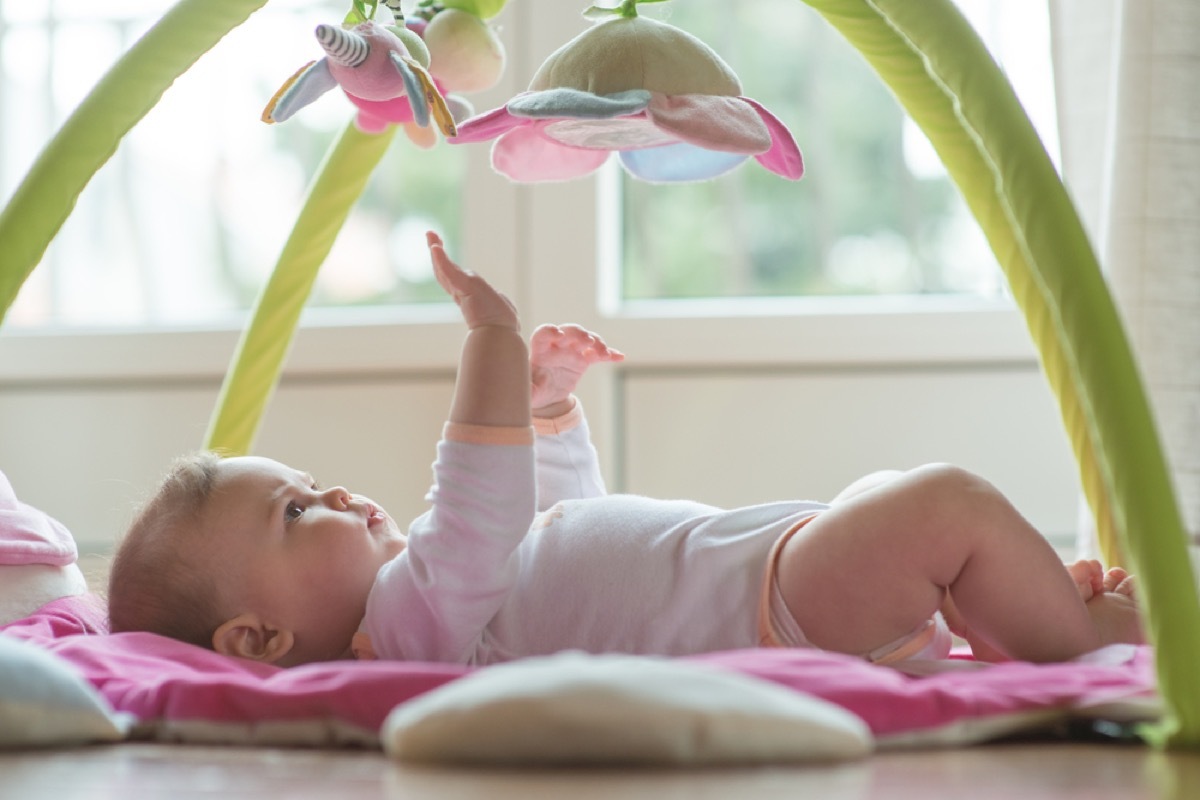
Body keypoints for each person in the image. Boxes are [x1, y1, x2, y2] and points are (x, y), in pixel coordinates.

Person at [107, 232, 1144, 669]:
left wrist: (548, 420)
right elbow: (482, 520)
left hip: (778, 571)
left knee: (889, 497)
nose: (331, 489)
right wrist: (490, 349)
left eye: (306, 482)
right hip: (770, 610)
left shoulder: (448, 595)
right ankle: (1093, 642)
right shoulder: (401, 629)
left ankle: (1032, 609)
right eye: (295, 510)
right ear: (260, 637)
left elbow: (547, 521)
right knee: (943, 502)